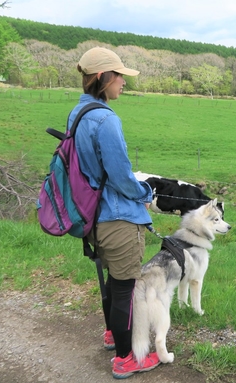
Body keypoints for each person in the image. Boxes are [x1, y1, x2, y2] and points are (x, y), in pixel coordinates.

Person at [73, 47, 160, 379]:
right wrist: (145, 193)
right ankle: (127, 358)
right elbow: (122, 177)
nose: (123, 82)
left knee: (114, 282)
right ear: (101, 77)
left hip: (93, 216)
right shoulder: (106, 119)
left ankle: (113, 334)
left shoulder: (78, 113)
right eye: (119, 75)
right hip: (117, 218)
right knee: (125, 287)